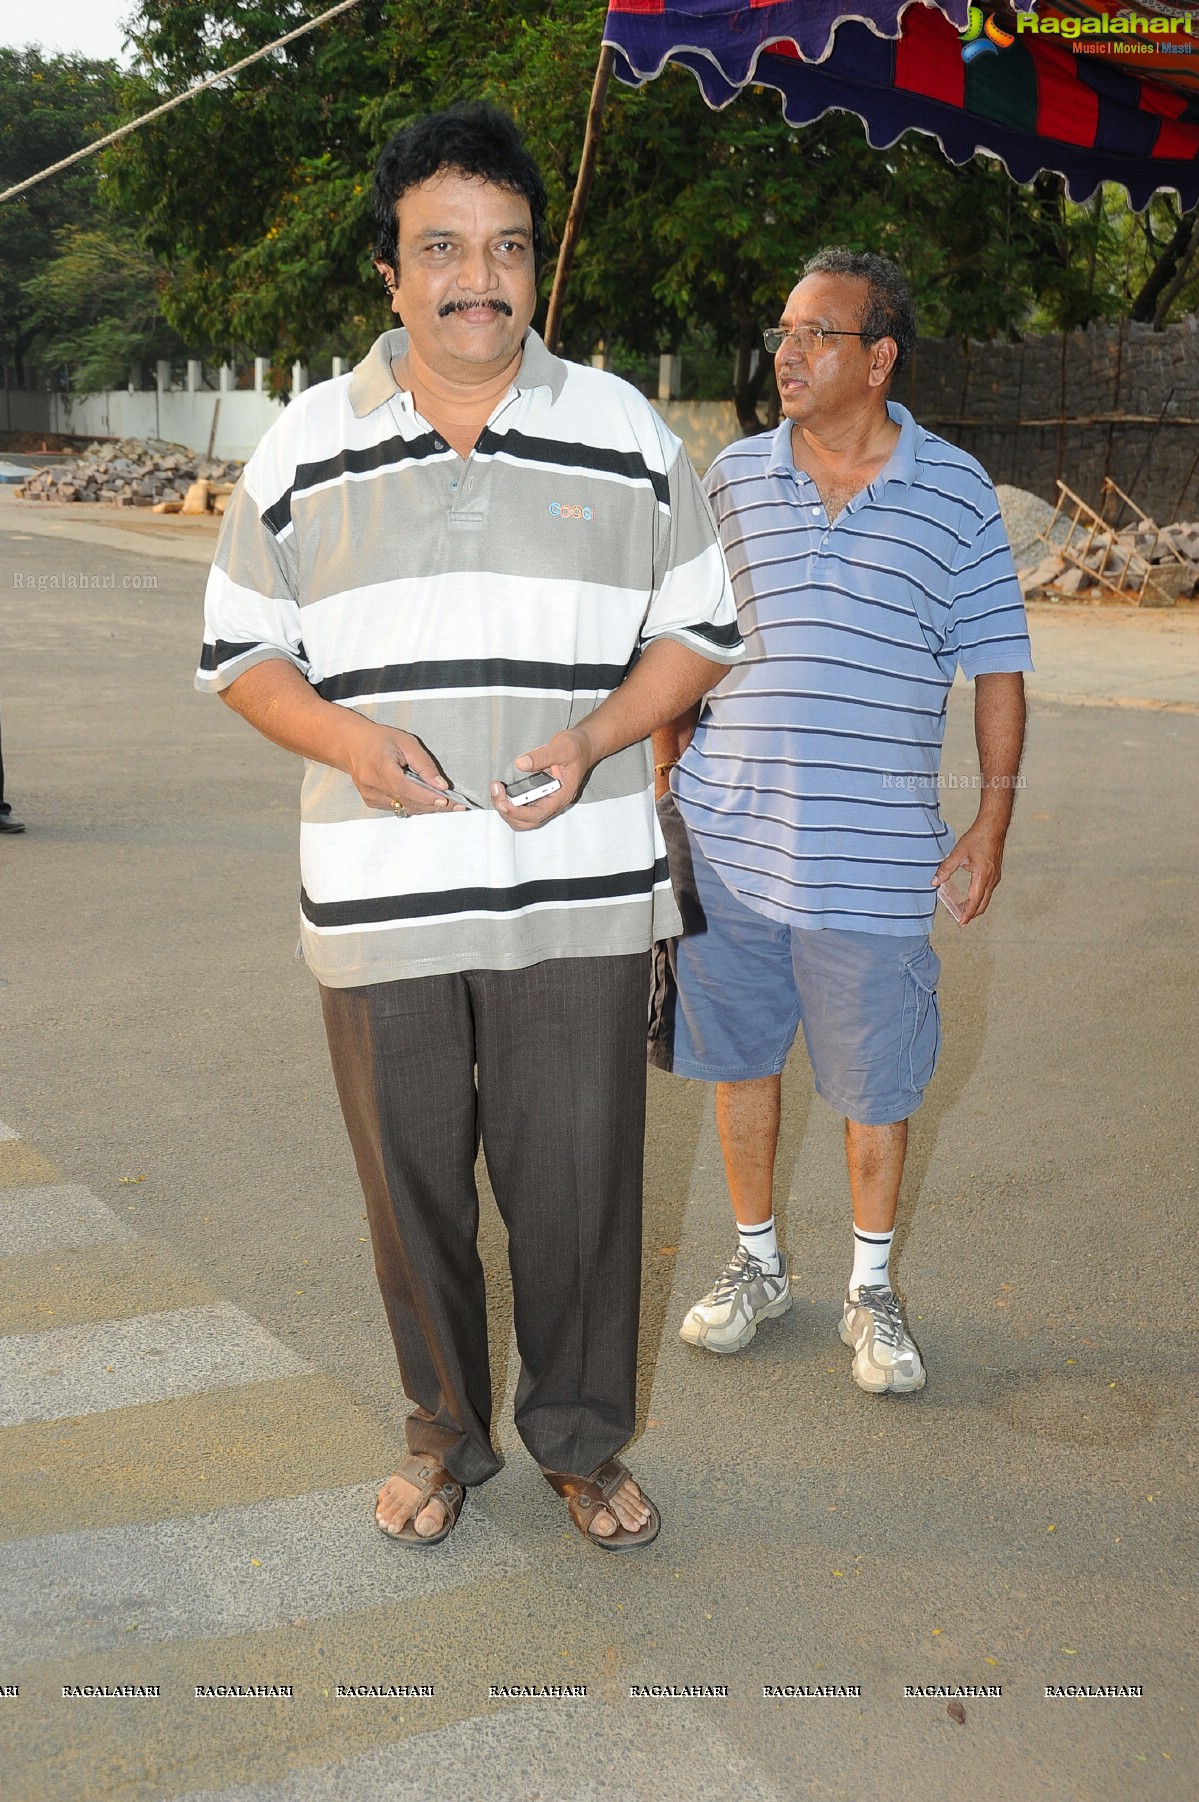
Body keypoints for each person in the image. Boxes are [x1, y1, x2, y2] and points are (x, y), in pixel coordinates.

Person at [196, 105, 742, 1548]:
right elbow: (241, 654)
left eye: (504, 247)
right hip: (378, 897)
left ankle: (577, 1436)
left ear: (530, 272)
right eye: (440, 249)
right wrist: (347, 739)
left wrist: (597, 734)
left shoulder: (621, 429)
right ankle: (442, 1434)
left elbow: (695, 631)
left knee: (576, 1187)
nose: (476, 278)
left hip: (572, 888)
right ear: (390, 272)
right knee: (411, 1188)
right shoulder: (303, 445)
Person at [650, 248, 1030, 1395]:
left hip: (871, 860)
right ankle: (757, 1262)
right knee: (739, 1064)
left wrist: (990, 820)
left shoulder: (955, 491)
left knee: (877, 1085)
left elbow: (998, 666)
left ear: (877, 358)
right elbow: (681, 638)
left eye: (814, 334)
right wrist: (666, 769)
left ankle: (871, 1288)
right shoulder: (730, 480)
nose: (786, 351)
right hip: (730, 844)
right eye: (780, 330)